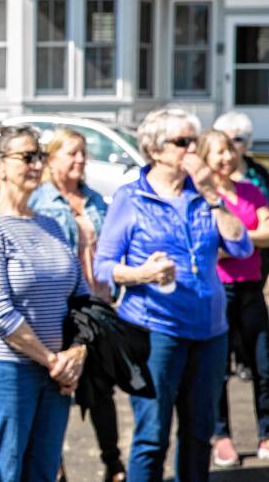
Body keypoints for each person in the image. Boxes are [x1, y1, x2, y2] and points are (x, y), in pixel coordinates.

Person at [94, 108, 253, 482]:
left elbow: (241, 246)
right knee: (152, 437)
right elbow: (103, 265)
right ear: (155, 149)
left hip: (209, 330)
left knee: (199, 435)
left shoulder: (204, 194)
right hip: (155, 330)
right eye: (183, 142)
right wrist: (141, 274)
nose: (192, 150)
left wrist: (213, 194)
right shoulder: (131, 198)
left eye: (195, 141)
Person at [0, 124, 89, 481]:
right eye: (26, 156)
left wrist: (77, 353)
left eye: (40, 156)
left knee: (44, 471)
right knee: (5, 471)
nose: (36, 164)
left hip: (58, 369)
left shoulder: (51, 224)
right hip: (7, 368)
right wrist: (53, 361)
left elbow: (82, 297)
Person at [29, 128, 124, 482]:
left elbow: (113, 246)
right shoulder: (39, 201)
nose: (80, 160)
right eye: (72, 153)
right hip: (59, 310)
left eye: (83, 153)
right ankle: (57, 467)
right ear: (51, 159)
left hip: (96, 306)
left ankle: (113, 463)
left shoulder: (96, 200)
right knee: (58, 389)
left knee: (102, 390)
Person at [196, 130, 269, 466]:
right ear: (205, 159)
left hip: (251, 288)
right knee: (217, 369)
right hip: (218, 291)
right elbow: (209, 247)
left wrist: (237, 240)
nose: (226, 158)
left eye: (229, 151)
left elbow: (265, 235)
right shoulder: (200, 198)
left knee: (263, 365)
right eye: (218, 153)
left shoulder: (251, 191)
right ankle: (221, 435)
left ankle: (266, 433)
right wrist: (247, 240)